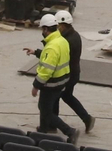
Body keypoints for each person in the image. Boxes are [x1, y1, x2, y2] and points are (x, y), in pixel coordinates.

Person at [31, 13, 78, 143]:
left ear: (46, 29)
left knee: (45, 110)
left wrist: (36, 86)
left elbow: (46, 70)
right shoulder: (62, 41)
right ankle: (44, 128)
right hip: (62, 80)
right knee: (47, 106)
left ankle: (70, 131)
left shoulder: (51, 46)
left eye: (42, 29)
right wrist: (36, 52)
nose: (42, 32)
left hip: (51, 84)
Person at [54, 10, 94, 133]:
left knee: (55, 97)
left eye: (57, 26)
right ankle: (86, 118)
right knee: (67, 96)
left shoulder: (67, 40)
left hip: (68, 75)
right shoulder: (74, 35)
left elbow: (61, 59)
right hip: (73, 73)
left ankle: (52, 124)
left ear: (62, 25)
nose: (56, 28)